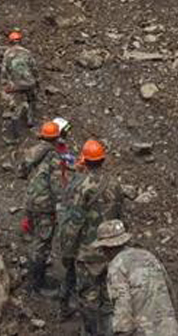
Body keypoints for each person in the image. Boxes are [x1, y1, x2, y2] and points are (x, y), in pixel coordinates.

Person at [58, 139, 123, 332]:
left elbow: (74, 222)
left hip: (88, 252)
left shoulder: (82, 186)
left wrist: (67, 251)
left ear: (84, 161)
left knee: (88, 296)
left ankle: (91, 332)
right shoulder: (114, 183)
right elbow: (121, 216)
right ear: (103, 160)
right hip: (111, 249)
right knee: (108, 295)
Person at [90, 220, 178, 336]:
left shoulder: (117, 266)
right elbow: (170, 292)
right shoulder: (148, 256)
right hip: (169, 329)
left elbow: (123, 311)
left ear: (107, 248)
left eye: (102, 249)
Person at [19, 119, 75, 294]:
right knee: (42, 243)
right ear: (57, 136)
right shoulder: (53, 157)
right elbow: (56, 185)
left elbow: (22, 172)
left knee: (37, 239)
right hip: (45, 205)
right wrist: (62, 207)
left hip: (32, 201)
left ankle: (33, 278)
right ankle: (35, 285)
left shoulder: (35, 151)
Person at [1, 30, 39, 140]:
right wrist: (37, 80)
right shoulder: (27, 52)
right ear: (20, 41)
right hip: (29, 83)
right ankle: (30, 119)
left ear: (10, 42)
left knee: (16, 105)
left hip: (16, 85)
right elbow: (34, 68)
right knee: (32, 99)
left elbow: (4, 71)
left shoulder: (7, 54)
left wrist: (5, 84)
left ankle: (15, 129)